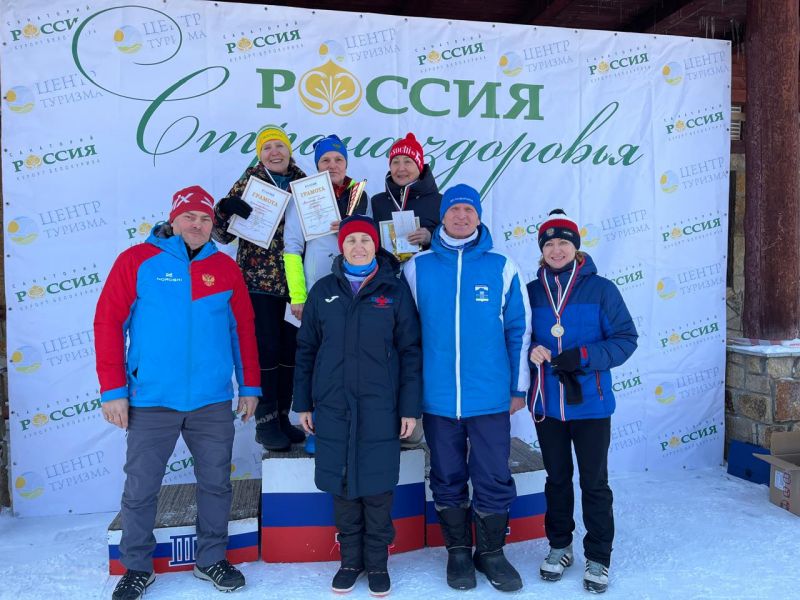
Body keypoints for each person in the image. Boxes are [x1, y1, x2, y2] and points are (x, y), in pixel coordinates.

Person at [94, 186, 261, 600]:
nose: (197, 225)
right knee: (141, 487)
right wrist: (113, 389)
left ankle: (211, 559)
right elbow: (108, 323)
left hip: (211, 399)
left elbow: (242, 330)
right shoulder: (137, 260)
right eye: (190, 217)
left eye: (205, 219)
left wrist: (250, 386)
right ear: (174, 219)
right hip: (151, 398)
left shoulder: (225, 268)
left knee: (216, 483)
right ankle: (136, 566)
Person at [402, 184, 531, 593]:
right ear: (442, 215)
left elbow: (519, 330)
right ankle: (457, 551)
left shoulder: (502, 266)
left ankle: (491, 552)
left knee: (493, 474)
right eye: (454, 210)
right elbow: (406, 337)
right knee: (447, 474)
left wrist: (518, 388)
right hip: (438, 397)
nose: (461, 217)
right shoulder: (417, 268)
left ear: (478, 216)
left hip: (490, 396)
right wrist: (409, 395)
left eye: (468, 210)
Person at [293, 215, 422, 597]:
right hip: (333, 406)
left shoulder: (394, 291)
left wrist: (409, 408)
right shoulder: (323, 291)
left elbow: (410, 351)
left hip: (381, 407)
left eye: (365, 240)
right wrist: (303, 403)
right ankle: (350, 561)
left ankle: (377, 563)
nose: (359, 247)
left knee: (378, 487)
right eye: (351, 241)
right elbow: (306, 350)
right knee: (343, 485)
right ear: (342, 247)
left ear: (375, 246)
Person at [527, 209, 638, 594]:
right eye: (550, 244)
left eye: (564, 242)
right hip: (547, 405)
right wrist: (532, 348)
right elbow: (516, 334)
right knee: (556, 480)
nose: (556, 249)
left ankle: (598, 556)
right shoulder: (531, 291)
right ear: (542, 250)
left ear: (576, 248)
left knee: (594, 482)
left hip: (591, 403)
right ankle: (560, 547)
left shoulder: (601, 290)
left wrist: (585, 356)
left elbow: (625, 339)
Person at [213, 125, 307, 451]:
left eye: (280, 146)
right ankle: (265, 423)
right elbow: (222, 235)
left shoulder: (305, 183)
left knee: (290, 351)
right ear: (260, 155)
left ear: (289, 151)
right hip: (257, 282)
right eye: (267, 148)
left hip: (295, 284)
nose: (274, 152)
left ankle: (282, 416)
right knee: (265, 350)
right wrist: (224, 210)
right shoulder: (249, 182)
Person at [283, 133, 370, 322]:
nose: (332, 165)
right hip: (316, 286)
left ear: (346, 164)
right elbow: (292, 249)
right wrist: (298, 295)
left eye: (339, 159)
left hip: (355, 286)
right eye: (325, 160)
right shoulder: (303, 195)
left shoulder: (360, 194)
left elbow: (371, 244)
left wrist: (349, 231)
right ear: (317, 165)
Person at [371, 132, 442, 254]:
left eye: (408, 161)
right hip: (385, 266)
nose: (401, 168)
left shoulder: (440, 202)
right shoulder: (377, 202)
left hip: (423, 266)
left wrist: (430, 237)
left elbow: (454, 241)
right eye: (395, 162)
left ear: (419, 166)